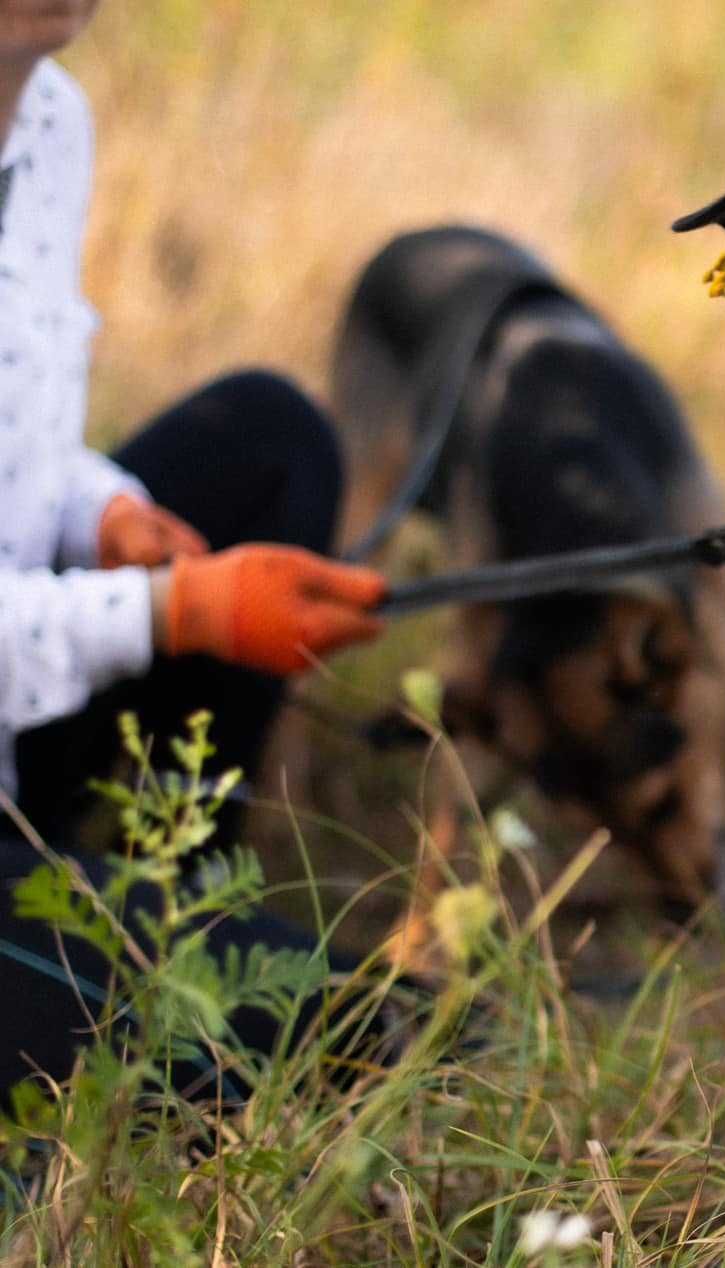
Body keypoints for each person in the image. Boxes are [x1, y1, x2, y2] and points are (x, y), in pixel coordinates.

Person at [0, 1, 389, 1098]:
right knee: (346, 1033)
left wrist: (108, 514)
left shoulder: (49, 121)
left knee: (270, 435)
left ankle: (183, 876)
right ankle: (144, 935)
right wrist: (180, 611)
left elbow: (20, 431)